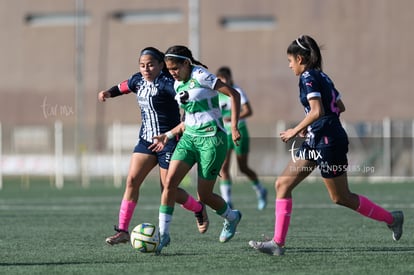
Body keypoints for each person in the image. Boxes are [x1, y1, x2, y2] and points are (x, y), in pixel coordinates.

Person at [249, 35, 404, 256]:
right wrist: (312, 126)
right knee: (282, 184)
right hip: (318, 140)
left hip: (329, 144)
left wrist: (296, 129)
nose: (289, 65)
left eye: (290, 60)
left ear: (300, 58)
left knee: (341, 197)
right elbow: (339, 106)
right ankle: (277, 244)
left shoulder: (307, 77)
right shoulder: (322, 76)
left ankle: (392, 218)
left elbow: (317, 111)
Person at [98, 47, 209, 245]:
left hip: (167, 142)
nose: (146, 69)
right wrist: (108, 92)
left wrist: (179, 128)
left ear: (160, 65)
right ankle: (123, 230)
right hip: (146, 141)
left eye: (150, 64)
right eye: (142, 65)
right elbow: (124, 86)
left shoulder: (168, 84)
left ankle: (199, 209)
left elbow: (187, 102)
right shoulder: (138, 80)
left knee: (168, 189)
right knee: (132, 181)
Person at [152, 45, 242, 254]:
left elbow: (234, 95)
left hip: (212, 140)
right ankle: (164, 235)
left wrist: (235, 127)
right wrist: (168, 135)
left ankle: (232, 217)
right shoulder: (177, 84)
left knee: (205, 196)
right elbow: (187, 121)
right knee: (169, 184)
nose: (172, 72)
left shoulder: (202, 76)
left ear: (186, 63)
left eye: (175, 68)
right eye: (169, 69)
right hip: (189, 140)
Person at [216, 66, 267, 210]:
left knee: (243, 167)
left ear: (230, 78)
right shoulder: (216, 94)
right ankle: (227, 201)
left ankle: (261, 190)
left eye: (225, 78)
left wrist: (233, 118)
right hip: (223, 134)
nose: (223, 81)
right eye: (220, 79)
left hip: (239, 131)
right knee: (223, 168)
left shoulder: (236, 91)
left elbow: (248, 110)